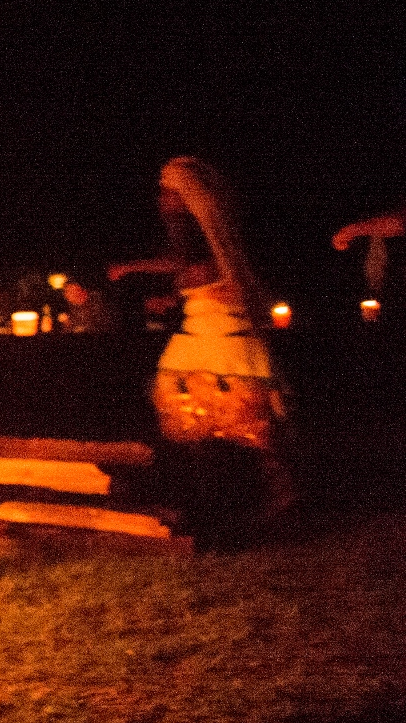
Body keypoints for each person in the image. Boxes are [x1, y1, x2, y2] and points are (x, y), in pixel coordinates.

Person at [109, 156, 294, 521]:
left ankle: (271, 492)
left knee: (245, 422)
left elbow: (198, 270)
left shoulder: (213, 235)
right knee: (191, 414)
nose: (161, 199)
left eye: (168, 191)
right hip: (199, 335)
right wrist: (174, 294)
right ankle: (207, 496)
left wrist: (136, 268)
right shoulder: (191, 234)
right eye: (162, 192)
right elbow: (191, 271)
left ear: (187, 194)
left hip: (225, 337)